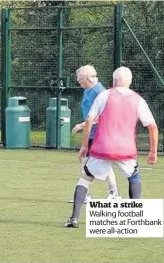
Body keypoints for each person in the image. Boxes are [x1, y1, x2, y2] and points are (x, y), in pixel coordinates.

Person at [65, 66, 158, 228]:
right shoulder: (138, 99)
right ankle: (137, 218)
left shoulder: (104, 95)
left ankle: (74, 219)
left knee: (85, 178)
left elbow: (89, 121)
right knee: (134, 177)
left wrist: (84, 145)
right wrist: (153, 151)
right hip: (126, 149)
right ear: (130, 81)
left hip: (102, 147)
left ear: (114, 81)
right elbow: (152, 126)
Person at [68, 65, 120, 203]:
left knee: (91, 161)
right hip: (91, 133)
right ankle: (109, 192)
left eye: (79, 79)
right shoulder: (88, 90)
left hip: (101, 133)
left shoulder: (100, 91)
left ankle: (91, 194)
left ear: (87, 78)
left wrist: (82, 125)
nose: (78, 82)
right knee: (91, 161)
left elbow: (102, 114)